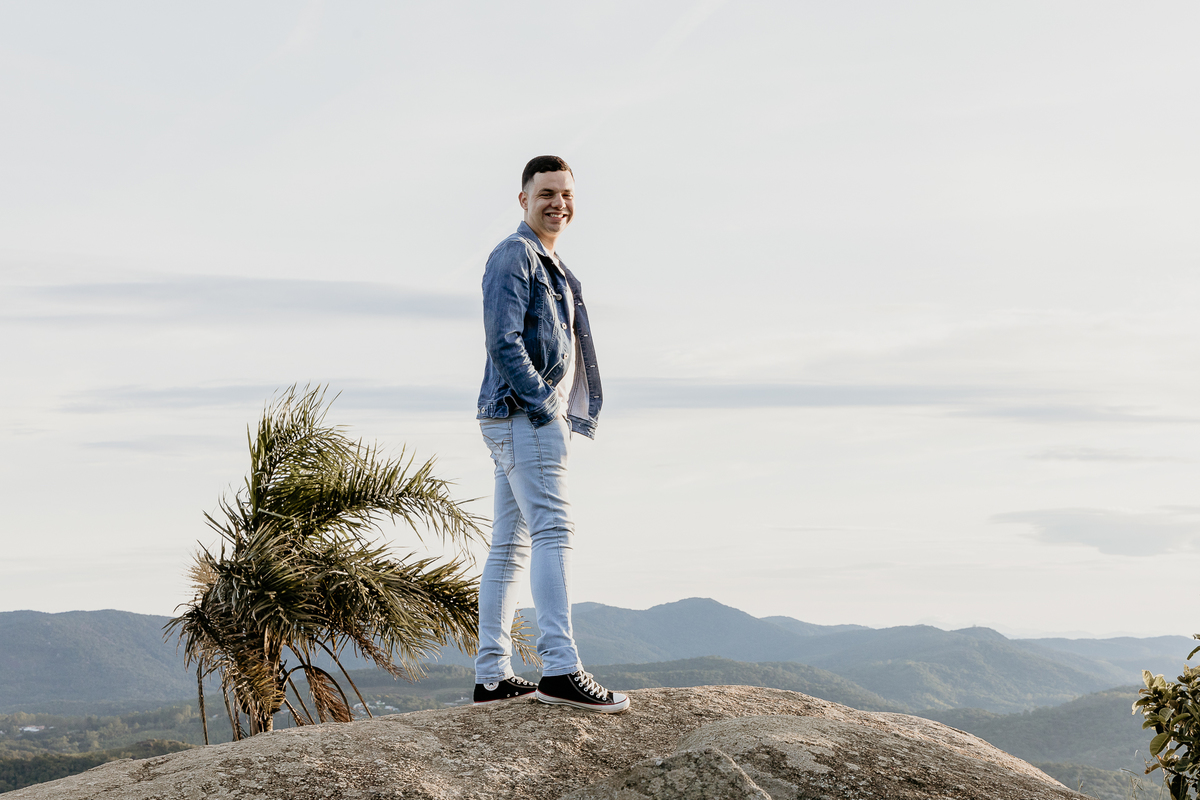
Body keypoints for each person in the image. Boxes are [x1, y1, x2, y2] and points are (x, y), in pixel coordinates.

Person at [471, 155, 629, 713]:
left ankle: (492, 675)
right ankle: (560, 668)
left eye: (566, 195)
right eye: (546, 194)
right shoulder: (516, 255)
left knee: (510, 545)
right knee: (554, 531)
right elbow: (503, 340)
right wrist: (545, 407)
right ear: (524, 200)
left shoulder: (551, 263)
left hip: (516, 417)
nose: (558, 203)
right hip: (525, 414)